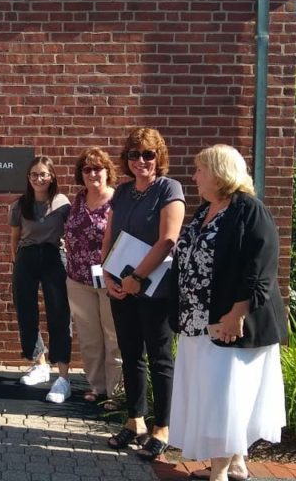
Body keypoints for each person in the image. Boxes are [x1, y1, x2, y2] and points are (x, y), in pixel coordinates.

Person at [165, 145, 286, 481]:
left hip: (229, 322)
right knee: (216, 393)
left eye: (199, 170)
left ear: (219, 173)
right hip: (197, 321)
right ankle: (235, 463)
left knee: (223, 397)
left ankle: (218, 472)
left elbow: (261, 265)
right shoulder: (207, 209)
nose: (194, 177)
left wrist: (238, 312)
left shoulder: (249, 209)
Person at [102, 128, 185, 461]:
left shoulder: (169, 188)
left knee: (160, 359)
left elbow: (168, 240)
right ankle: (135, 420)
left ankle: (162, 427)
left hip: (156, 289)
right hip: (122, 287)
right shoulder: (122, 192)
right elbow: (110, 235)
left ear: (159, 156)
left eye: (148, 154)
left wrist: (137, 277)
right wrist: (107, 274)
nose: (141, 161)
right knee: (131, 353)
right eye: (134, 154)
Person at [9, 156, 73, 403]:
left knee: (59, 313)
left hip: (53, 256)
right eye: (34, 174)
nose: (39, 179)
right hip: (26, 257)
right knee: (26, 310)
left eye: (44, 174)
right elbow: (15, 237)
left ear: (52, 176)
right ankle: (40, 363)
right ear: (28, 177)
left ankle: (63, 377)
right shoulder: (20, 205)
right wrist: (16, 261)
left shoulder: (62, 203)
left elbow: (72, 233)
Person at [62, 148, 123, 409]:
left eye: (98, 168)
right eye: (87, 169)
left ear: (108, 172)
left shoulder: (118, 201)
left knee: (114, 336)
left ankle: (117, 392)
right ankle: (97, 387)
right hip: (78, 279)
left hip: (110, 279)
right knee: (89, 337)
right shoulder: (78, 200)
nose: (92, 174)